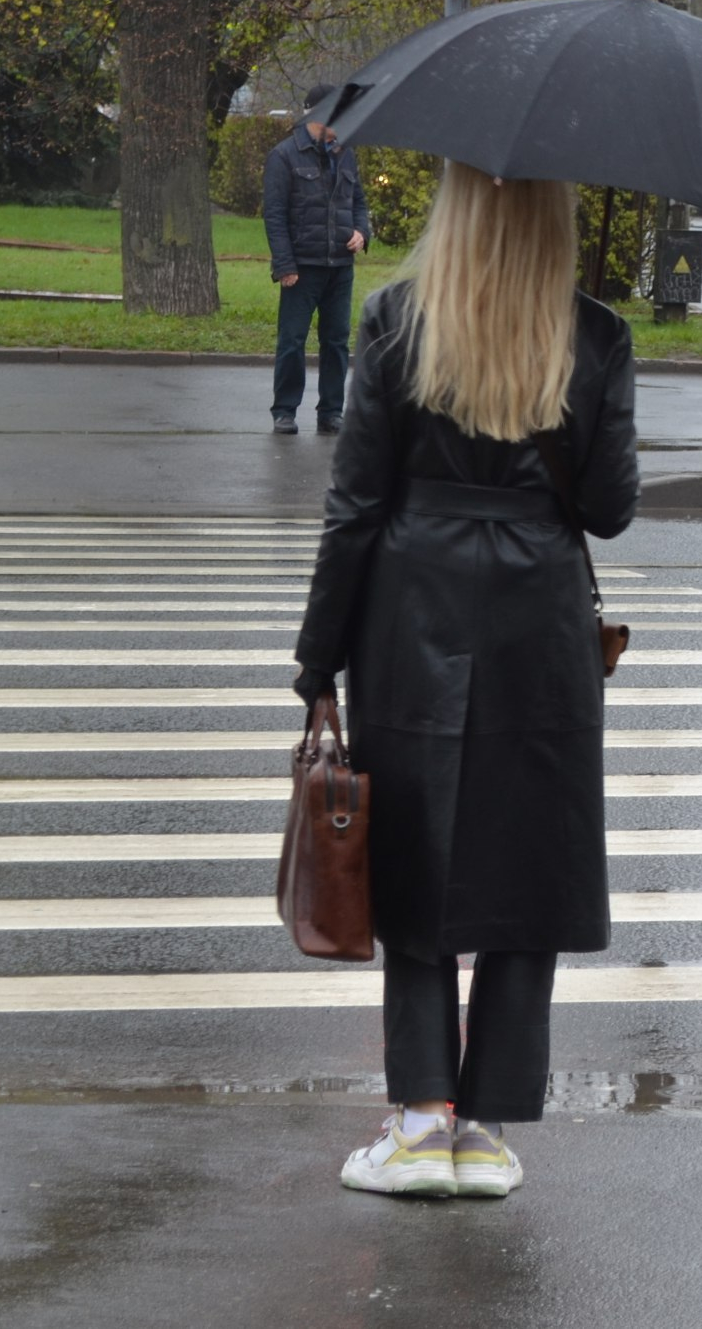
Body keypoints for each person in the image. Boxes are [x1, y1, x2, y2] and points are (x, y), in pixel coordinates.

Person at [290, 167, 638, 1198]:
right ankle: (485, 1128)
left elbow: (354, 505)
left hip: (413, 608)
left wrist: (316, 661)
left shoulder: (399, 319)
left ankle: (419, 1118)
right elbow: (611, 507)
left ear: (457, 207)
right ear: (558, 215)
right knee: (530, 865)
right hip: (540, 614)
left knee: (411, 855)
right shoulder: (595, 331)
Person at [263, 85, 371, 434]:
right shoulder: (284, 156)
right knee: (292, 340)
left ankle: (331, 412)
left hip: (340, 266)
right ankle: (285, 411)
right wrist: (284, 265)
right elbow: (275, 216)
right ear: (316, 115)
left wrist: (361, 231)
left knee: (337, 340)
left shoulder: (346, 153)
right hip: (302, 267)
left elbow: (358, 203)